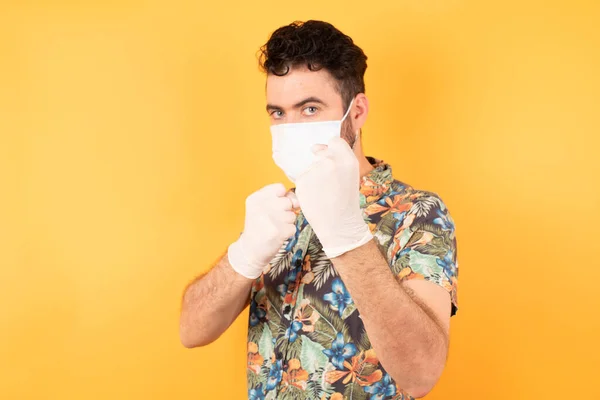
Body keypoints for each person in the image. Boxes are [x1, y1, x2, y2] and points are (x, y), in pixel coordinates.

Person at [179, 20, 458, 400]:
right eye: (278, 113)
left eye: (309, 109)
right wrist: (243, 253)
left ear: (356, 113)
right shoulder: (278, 214)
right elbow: (191, 331)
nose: (290, 126)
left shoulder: (417, 214)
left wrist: (349, 237)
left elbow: (422, 373)